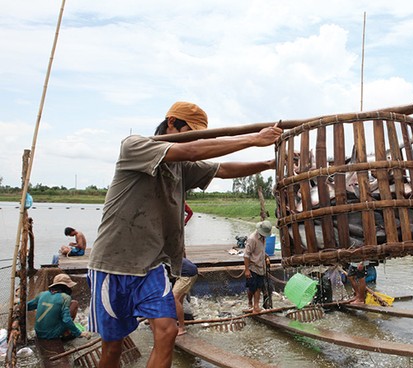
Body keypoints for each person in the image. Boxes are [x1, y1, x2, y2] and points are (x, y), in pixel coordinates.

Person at [87, 101, 281, 368]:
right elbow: (188, 148)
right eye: (192, 131)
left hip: (152, 266)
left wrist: (269, 163)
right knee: (113, 348)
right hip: (114, 264)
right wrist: (253, 139)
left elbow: (223, 170)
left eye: (201, 134)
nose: (197, 139)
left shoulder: (183, 168)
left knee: (167, 332)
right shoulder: (134, 146)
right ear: (171, 123)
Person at [27, 273, 84, 341]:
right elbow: (66, 319)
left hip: (39, 333)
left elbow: (28, 306)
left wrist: (18, 302)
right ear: (66, 287)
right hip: (52, 335)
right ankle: (66, 333)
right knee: (74, 303)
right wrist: (79, 333)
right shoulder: (65, 297)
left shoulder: (42, 294)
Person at [244, 220, 272, 313]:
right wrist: (247, 270)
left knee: (259, 287)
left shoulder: (263, 238)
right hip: (253, 266)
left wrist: (266, 255)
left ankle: (256, 306)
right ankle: (250, 303)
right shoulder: (252, 239)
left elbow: (260, 250)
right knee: (252, 287)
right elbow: (246, 255)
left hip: (261, 266)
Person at [172, 257, 198, 336]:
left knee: (174, 299)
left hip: (186, 274)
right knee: (179, 299)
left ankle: (181, 327)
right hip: (192, 271)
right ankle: (179, 323)